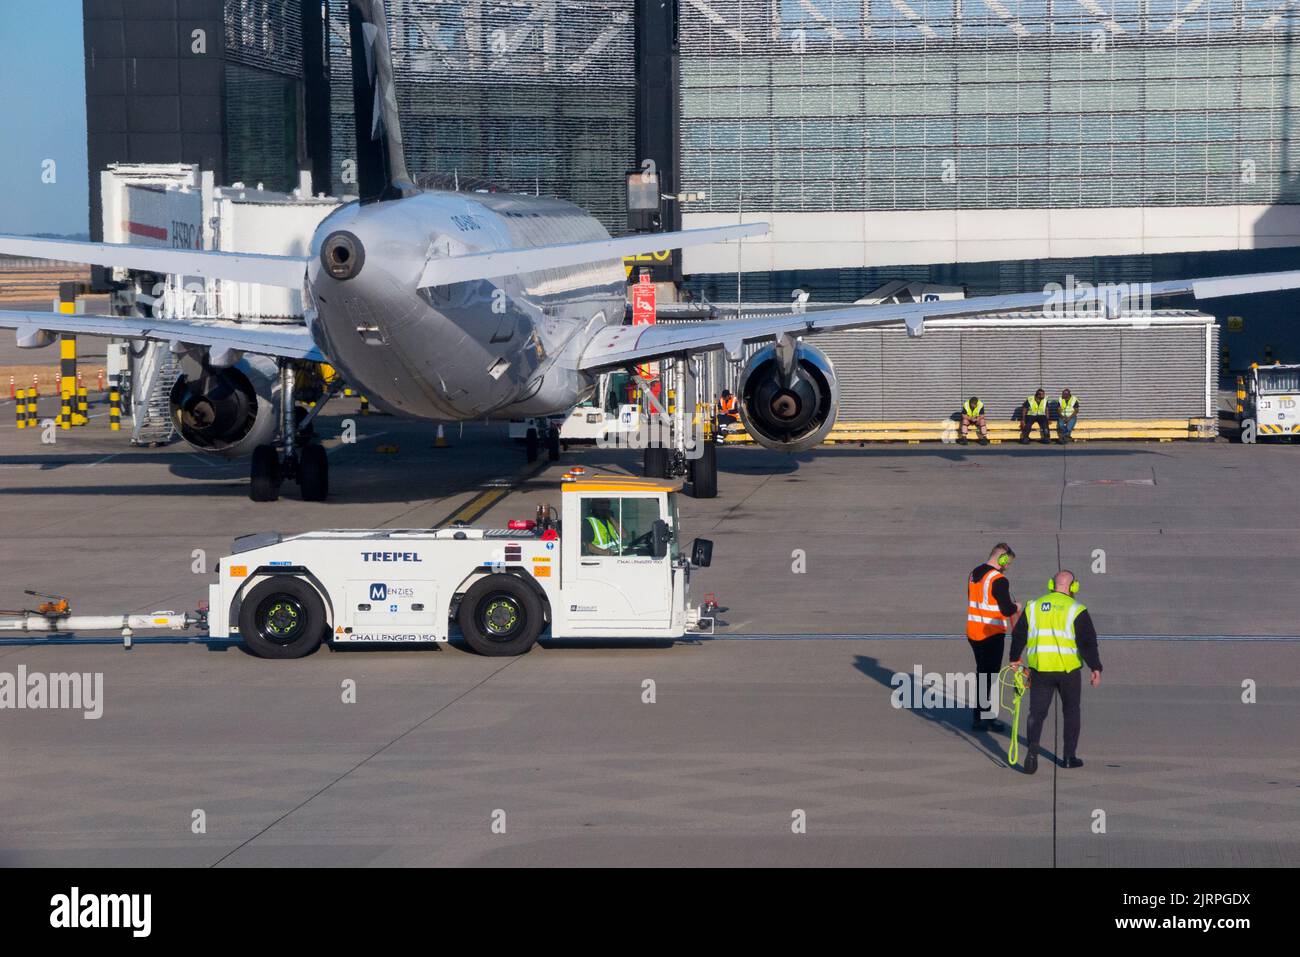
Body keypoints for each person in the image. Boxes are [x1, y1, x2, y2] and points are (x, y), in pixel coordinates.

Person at [1008, 570, 1103, 774]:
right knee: (1071, 712)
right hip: (1068, 671)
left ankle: (1032, 754)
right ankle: (1068, 757)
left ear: (1051, 584)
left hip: (1041, 669)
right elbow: (1088, 643)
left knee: (1036, 713)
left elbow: (1019, 635)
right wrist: (1095, 667)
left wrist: (1014, 658)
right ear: (1073, 587)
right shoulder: (1077, 609)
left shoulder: (1033, 607)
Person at [966, 543, 1021, 732]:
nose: (1008, 567)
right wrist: (1017, 607)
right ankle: (982, 717)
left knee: (983, 673)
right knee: (988, 676)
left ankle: (982, 714)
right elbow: (1006, 610)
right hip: (991, 634)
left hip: (974, 631)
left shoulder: (974, 573)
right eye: (1008, 563)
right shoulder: (998, 579)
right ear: (1003, 559)